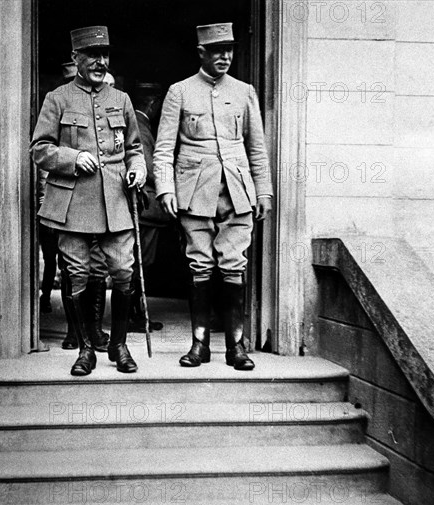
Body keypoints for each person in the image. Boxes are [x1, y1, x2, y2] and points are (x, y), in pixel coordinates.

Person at [153, 22, 273, 370]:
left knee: (234, 265)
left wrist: (263, 190)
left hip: (237, 192)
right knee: (200, 265)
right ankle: (200, 344)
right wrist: (165, 188)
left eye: (230, 50)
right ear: (201, 53)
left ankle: (235, 348)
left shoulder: (245, 91)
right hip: (194, 192)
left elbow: (257, 149)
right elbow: (163, 149)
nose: (225, 56)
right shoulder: (180, 91)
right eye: (217, 50)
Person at [31, 26, 146, 376]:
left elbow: (135, 149)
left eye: (105, 55)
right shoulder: (57, 98)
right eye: (92, 55)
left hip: (115, 199)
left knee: (123, 270)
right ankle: (85, 350)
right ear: (76, 59)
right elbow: (39, 149)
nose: (100, 62)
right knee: (76, 274)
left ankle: (119, 345)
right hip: (73, 203)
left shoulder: (121, 99)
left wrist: (137, 169)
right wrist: (71, 157)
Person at [38, 62, 110, 353]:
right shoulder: (56, 103)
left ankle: (93, 330)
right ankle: (74, 331)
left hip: (100, 203)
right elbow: (42, 156)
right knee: (71, 269)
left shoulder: (106, 108)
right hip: (63, 204)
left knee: (98, 269)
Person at [128, 83, 168, 332]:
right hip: (146, 208)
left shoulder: (141, 125)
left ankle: (136, 313)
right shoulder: (141, 128)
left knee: (140, 262)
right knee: (139, 263)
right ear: (152, 104)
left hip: (146, 210)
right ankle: (134, 316)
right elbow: (150, 169)